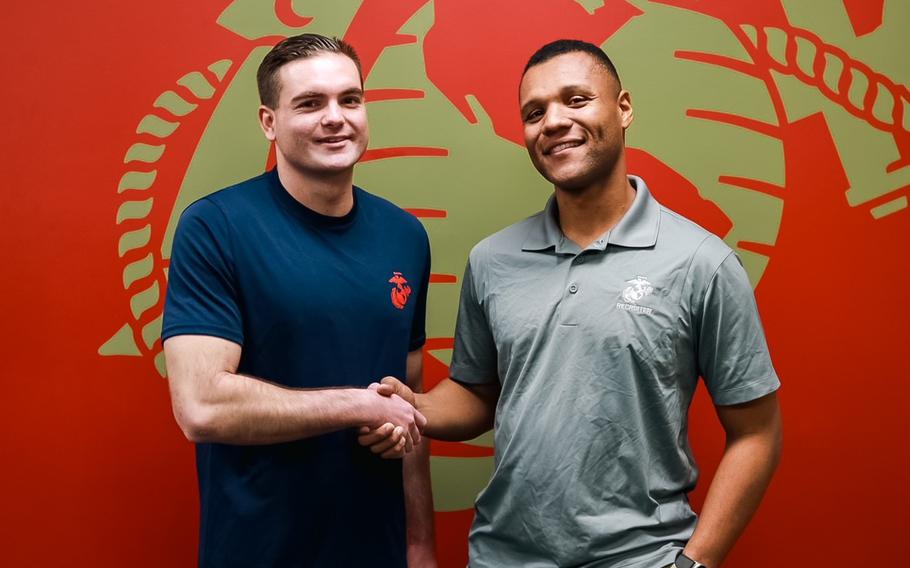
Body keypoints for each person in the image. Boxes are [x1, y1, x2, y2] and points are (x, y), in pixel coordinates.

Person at [361, 39, 782, 568]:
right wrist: (414, 408)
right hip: (501, 555)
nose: (553, 122)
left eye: (576, 100)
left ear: (623, 108)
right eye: (534, 113)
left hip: (642, 557)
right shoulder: (492, 260)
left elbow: (757, 433)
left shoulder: (702, 262)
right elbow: (478, 393)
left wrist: (695, 563)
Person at [162, 33, 435, 567]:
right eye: (310, 103)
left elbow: (410, 400)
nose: (335, 117)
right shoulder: (215, 227)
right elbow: (201, 406)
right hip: (258, 551)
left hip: (375, 551)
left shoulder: (406, 236)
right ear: (269, 122)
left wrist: (420, 544)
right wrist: (354, 404)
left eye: (349, 99)